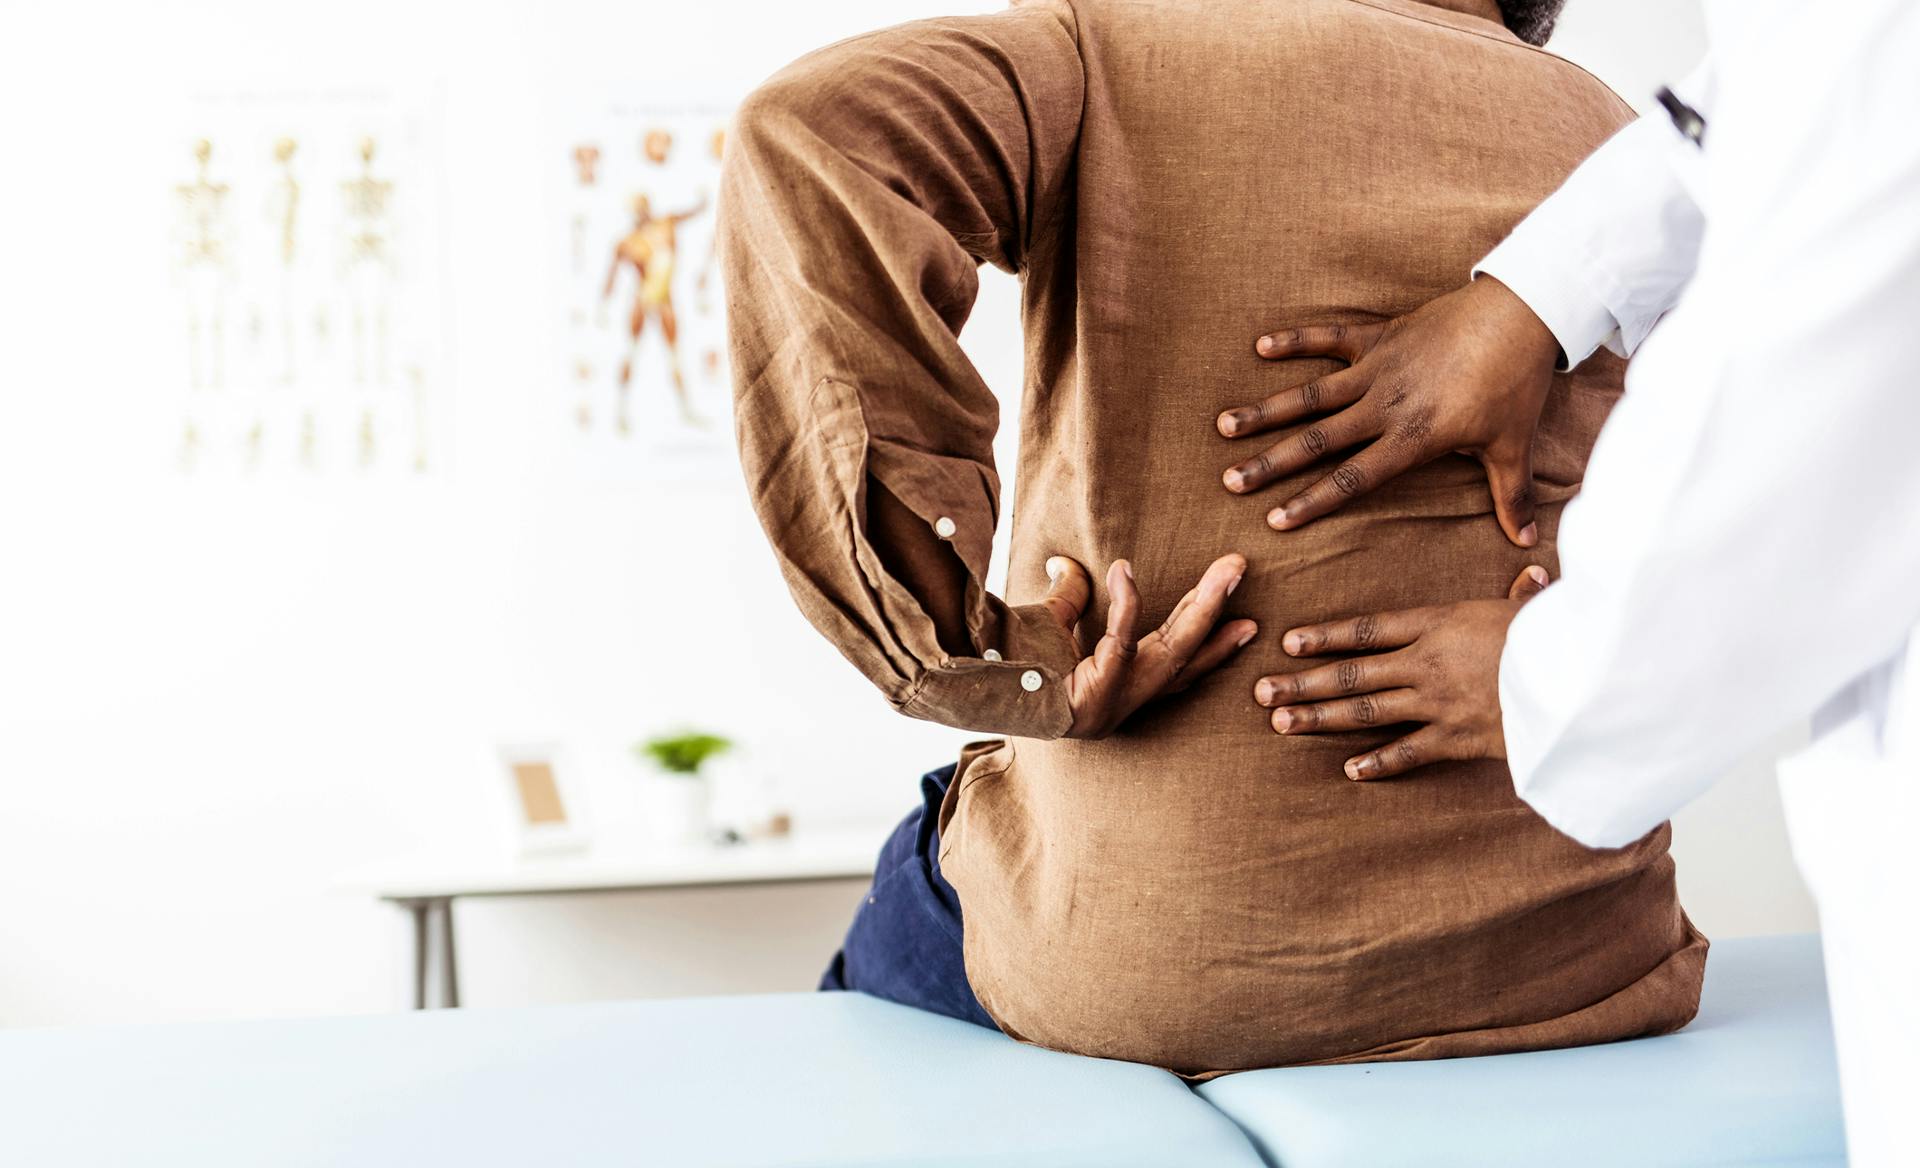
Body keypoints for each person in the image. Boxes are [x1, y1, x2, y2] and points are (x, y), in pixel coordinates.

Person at [721, 0, 1705, 1077]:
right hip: (1576, 957)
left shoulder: (1114, 54)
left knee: (925, 878)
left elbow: (810, 135)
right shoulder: (1632, 145)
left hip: (1150, 976)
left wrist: (973, 657)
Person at [1221, 1, 1919, 1157]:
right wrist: (1539, 292)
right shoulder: (1593, 110)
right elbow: (1790, 106)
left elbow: (1816, 364)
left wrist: (1551, 674)